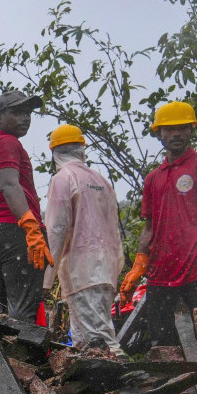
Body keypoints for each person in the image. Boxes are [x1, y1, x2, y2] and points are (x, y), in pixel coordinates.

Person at [118, 101, 197, 347]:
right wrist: (138, 265)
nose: (176, 133)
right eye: (169, 129)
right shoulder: (153, 178)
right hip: (160, 274)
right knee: (162, 342)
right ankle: (171, 385)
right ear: (159, 133)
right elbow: (149, 227)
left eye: (182, 127)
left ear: (191, 130)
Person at [0, 91, 53, 322]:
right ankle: (22, 357)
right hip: (13, 233)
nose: (25, 118)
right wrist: (30, 226)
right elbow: (9, 185)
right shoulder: (8, 143)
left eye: (28, 113)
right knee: (22, 310)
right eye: (17, 112)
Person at [42, 125, 123, 352]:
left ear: (54, 153)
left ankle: (128, 383)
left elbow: (56, 230)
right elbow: (113, 228)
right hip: (106, 268)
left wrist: (46, 279)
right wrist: (116, 268)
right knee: (85, 340)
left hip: (83, 269)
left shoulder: (63, 178)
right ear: (81, 150)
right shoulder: (101, 181)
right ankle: (98, 386)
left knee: (100, 342)